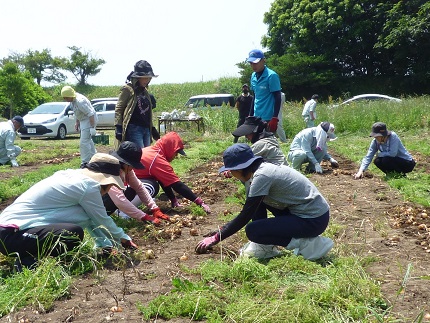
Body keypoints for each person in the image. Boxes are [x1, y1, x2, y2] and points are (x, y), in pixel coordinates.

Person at [0, 153, 138, 271]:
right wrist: (123, 237)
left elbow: (89, 218)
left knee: (79, 219)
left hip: (7, 234)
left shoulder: (72, 176)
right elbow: (101, 218)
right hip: (12, 235)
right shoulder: (88, 186)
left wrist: (105, 245)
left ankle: (27, 253)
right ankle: (27, 261)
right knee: (72, 233)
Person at [195, 144, 334, 261]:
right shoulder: (262, 169)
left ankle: (308, 244)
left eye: (231, 170)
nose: (230, 174)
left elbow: (245, 215)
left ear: (240, 168)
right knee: (257, 203)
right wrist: (221, 230)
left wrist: (216, 237)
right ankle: (264, 246)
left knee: (252, 230)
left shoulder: (262, 176)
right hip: (309, 214)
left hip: (313, 220)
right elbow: (252, 206)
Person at [133, 131, 211, 214]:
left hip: (128, 181)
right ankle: (127, 210)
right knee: (152, 187)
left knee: (152, 184)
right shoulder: (157, 159)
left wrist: (173, 199)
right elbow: (177, 185)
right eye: (176, 152)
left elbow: (163, 180)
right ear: (170, 148)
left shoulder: (153, 151)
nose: (176, 156)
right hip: (124, 185)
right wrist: (199, 202)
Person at [103, 141, 169, 224]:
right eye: (132, 165)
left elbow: (139, 187)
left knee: (131, 190)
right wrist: (144, 216)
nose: (133, 167)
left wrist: (154, 208)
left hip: (108, 199)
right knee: (116, 197)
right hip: (95, 201)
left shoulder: (126, 169)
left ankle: (115, 213)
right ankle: (103, 216)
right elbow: (119, 199)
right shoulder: (111, 171)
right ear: (125, 163)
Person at [114, 60, 158, 150]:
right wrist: (118, 126)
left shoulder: (145, 92)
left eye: (149, 78)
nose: (148, 80)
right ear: (138, 77)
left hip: (146, 129)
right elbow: (119, 109)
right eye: (145, 77)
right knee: (140, 155)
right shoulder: (128, 89)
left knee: (147, 154)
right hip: (134, 128)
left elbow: (146, 114)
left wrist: (152, 128)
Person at [247, 49, 282, 134]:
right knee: (256, 143)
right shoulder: (253, 76)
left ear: (263, 60)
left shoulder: (271, 76)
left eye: (255, 63)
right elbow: (255, 96)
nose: (253, 65)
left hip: (268, 118)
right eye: (251, 63)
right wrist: (250, 115)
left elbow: (277, 97)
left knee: (267, 144)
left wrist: (274, 118)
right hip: (256, 116)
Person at [61, 86, 97, 167]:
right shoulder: (72, 101)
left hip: (89, 119)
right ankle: (95, 157)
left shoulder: (80, 101)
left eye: (66, 98)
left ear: (70, 95)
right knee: (88, 140)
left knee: (83, 142)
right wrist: (77, 122)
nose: (65, 100)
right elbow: (77, 112)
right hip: (83, 120)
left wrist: (92, 127)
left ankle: (85, 162)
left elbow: (90, 114)